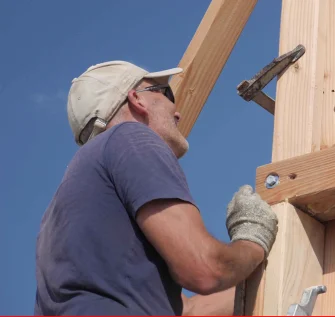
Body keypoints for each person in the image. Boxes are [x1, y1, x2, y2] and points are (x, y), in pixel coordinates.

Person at [34, 61, 278, 315]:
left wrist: (281, 271)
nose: (177, 111)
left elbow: (190, 310)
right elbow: (205, 268)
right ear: (137, 99)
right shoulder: (130, 136)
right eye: (166, 93)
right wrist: (252, 238)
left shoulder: (58, 218)